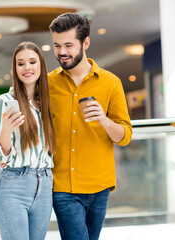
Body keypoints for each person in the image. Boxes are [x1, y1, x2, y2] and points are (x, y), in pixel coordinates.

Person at [48, 13, 133, 240]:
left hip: (100, 187)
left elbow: (125, 136)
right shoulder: (47, 84)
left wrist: (104, 121)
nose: (62, 52)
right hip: (63, 187)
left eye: (68, 45)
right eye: (57, 45)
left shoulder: (110, 82)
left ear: (85, 43)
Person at [0, 41, 56, 240]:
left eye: (32, 62)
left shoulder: (47, 102)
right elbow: (1, 155)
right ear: (15, 68)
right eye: (21, 63)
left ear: (41, 65)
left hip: (45, 184)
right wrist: (5, 132)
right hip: (14, 185)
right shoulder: (4, 102)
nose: (27, 67)